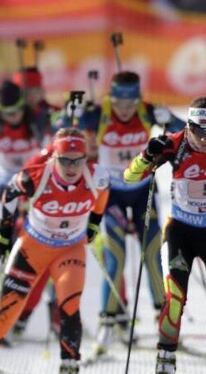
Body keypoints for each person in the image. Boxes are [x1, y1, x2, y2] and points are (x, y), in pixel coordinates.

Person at [0, 128, 110, 374]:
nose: (72, 167)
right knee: (8, 309)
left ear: (86, 158)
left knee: (70, 306)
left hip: (69, 250)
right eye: (65, 160)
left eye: (78, 160)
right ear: (54, 157)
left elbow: (102, 198)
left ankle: (70, 364)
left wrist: (94, 224)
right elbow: (9, 193)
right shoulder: (37, 176)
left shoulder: (98, 176)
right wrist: (4, 233)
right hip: (34, 247)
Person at [78, 71, 184, 355]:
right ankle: (108, 325)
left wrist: (169, 119)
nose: (125, 108)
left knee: (152, 257)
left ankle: (165, 325)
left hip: (143, 193)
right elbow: (62, 130)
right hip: (109, 195)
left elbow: (186, 133)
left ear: (137, 97)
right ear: (111, 97)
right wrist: (72, 112)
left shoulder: (147, 111)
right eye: (119, 102)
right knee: (116, 258)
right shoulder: (98, 114)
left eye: (130, 101)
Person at [124, 98, 205, 374]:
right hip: (180, 231)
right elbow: (131, 177)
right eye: (199, 131)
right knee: (174, 298)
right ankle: (166, 358)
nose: (204, 139)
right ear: (189, 125)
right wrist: (147, 155)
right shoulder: (175, 142)